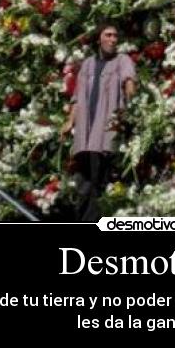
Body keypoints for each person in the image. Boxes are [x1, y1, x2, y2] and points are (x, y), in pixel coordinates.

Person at [63, 22, 136, 221]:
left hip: (105, 130)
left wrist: (132, 100)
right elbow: (77, 97)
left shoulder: (122, 60)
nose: (113, 39)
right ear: (99, 38)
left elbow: (129, 83)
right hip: (85, 131)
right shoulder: (87, 64)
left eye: (115, 36)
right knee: (83, 180)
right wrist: (70, 122)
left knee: (99, 179)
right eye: (108, 35)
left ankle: (94, 220)